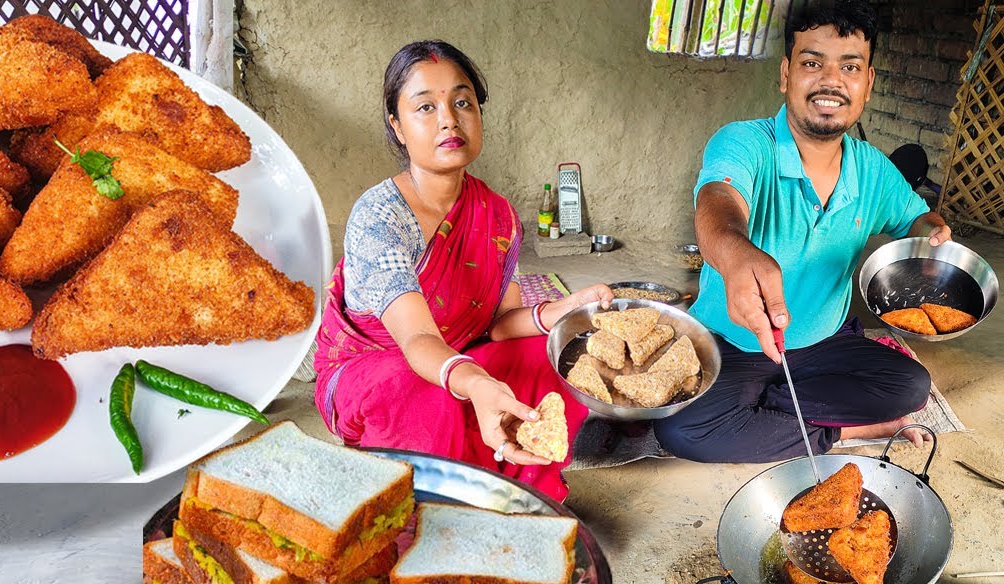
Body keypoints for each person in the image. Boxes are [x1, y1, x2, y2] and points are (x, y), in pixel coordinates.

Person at [313, 40, 612, 502]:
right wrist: (475, 381)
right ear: (397, 126)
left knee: (549, 353)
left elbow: (499, 326)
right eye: (425, 107)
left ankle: (526, 496)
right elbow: (416, 341)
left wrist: (564, 310)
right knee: (430, 391)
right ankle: (434, 510)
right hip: (377, 369)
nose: (449, 119)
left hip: (460, 352)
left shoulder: (496, 215)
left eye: (462, 102)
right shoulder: (380, 217)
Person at [655, 0, 946, 463]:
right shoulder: (745, 142)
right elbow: (718, 202)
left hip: (826, 344)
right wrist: (733, 252)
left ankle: (766, 414)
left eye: (849, 67)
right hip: (732, 345)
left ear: (867, 83)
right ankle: (844, 430)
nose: (831, 81)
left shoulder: (873, 169)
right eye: (813, 63)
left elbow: (913, 219)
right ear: (786, 73)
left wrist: (932, 232)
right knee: (682, 429)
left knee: (910, 385)